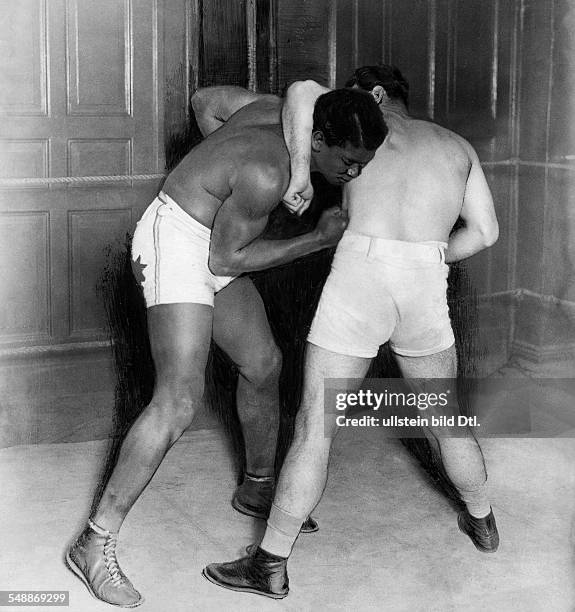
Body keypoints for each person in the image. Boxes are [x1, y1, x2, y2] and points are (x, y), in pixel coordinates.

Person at [64, 85, 387, 608]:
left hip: (213, 240)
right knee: (179, 401)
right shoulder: (267, 174)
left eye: (362, 165)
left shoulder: (273, 111)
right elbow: (225, 263)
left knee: (263, 364)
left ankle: (257, 486)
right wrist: (315, 239)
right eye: (348, 163)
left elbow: (205, 101)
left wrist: (216, 170)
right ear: (319, 139)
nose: (352, 175)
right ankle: (94, 542)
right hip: (179, 244)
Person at [202, 65, 500, 599]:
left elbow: (303, 93)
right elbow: (484, 232)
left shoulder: (360, 126)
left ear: (377, 94)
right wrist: (427, 262)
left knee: (316, 426)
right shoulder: (456, 146)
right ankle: (482, 519)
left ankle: (269, 564)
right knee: (445, 415)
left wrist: (298, 172)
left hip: (360, 272)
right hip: (425, 275)